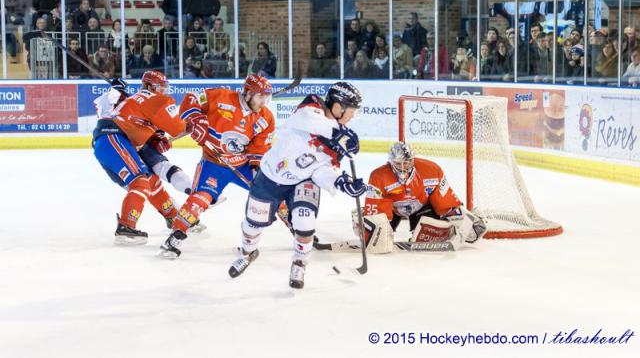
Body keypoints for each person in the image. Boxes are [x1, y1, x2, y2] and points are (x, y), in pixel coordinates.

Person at [228, 82, 366, 289]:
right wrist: (336, 132)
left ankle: (299, 263)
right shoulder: (312, 105)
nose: (352, 116)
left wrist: (340, 181)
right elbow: (306, 120)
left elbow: (322, 171)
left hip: (303, 180)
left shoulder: (339, 139)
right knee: (252, 223)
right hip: (270, 175)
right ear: (338, 106)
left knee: (305, 222)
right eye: (351, 111)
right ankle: (248, 253)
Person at [159, 74, 276, 259]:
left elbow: (260, 147)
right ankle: (176, 236)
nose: (263, 102)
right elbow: (191, 99)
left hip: (243, 165)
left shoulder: (266, 117)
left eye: (266, 97)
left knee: (272, 191)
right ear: (247, 93)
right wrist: (197, 120)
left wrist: (256, 168)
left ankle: (297, 227)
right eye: (260, 97)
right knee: (200, 199)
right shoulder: (220, 96)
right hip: (213, 164)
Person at [92, 71, 185, 244]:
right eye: (160, 87)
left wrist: (158, 139)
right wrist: (115, 92)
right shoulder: (121, 99)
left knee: (151, 181)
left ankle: (173, 217)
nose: (163, 91)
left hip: (118, 142)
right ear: (150, 86)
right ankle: (126, 228)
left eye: (165, 88)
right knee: (139, 181)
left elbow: (146, 131)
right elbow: (102, 108)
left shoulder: (138, 104)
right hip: (112, 137)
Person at [359, 142, 486, 253]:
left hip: (421, 207)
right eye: (398, 163)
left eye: (406, 163)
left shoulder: (431, 170)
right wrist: (373, 229)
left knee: (426, 236)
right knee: (377, 238)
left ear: (412, 161)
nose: (403, 168)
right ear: (391, 163)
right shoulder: (378, 176)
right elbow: (375, 208)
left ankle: (449, 230)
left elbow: (446, 202)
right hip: (392, 209)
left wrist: (464, 219)